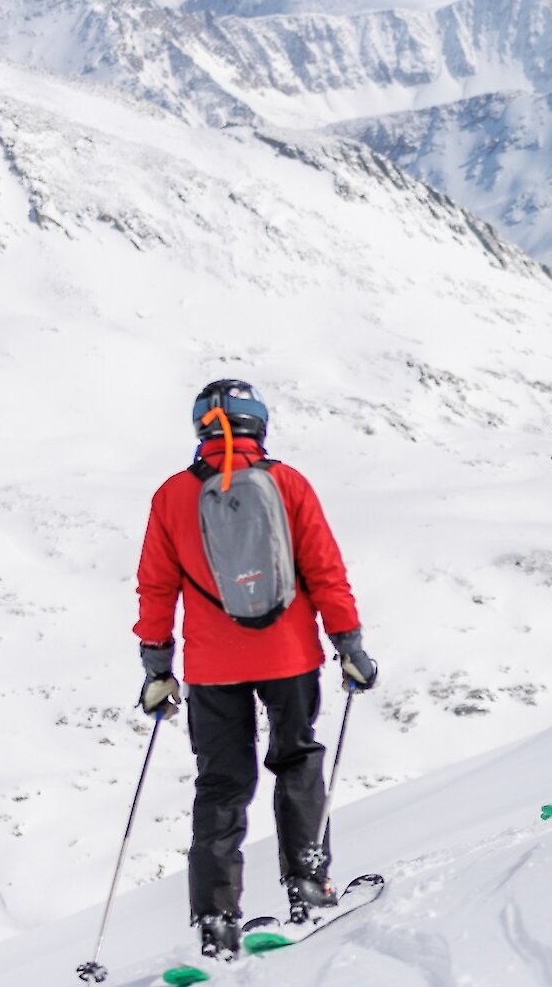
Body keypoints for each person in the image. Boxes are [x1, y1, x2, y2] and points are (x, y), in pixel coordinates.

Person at [134, 379, 379, 960]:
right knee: (296, 759)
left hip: (213, 666)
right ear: (258, 426)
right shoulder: (286, 483)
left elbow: (155, 587)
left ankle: (216, 922)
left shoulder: (171, 496)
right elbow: (323, 568)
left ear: (200, 428)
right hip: (290, 655)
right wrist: (348, 643)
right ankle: (309, 886)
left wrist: (157, 666)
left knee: (220, 785)